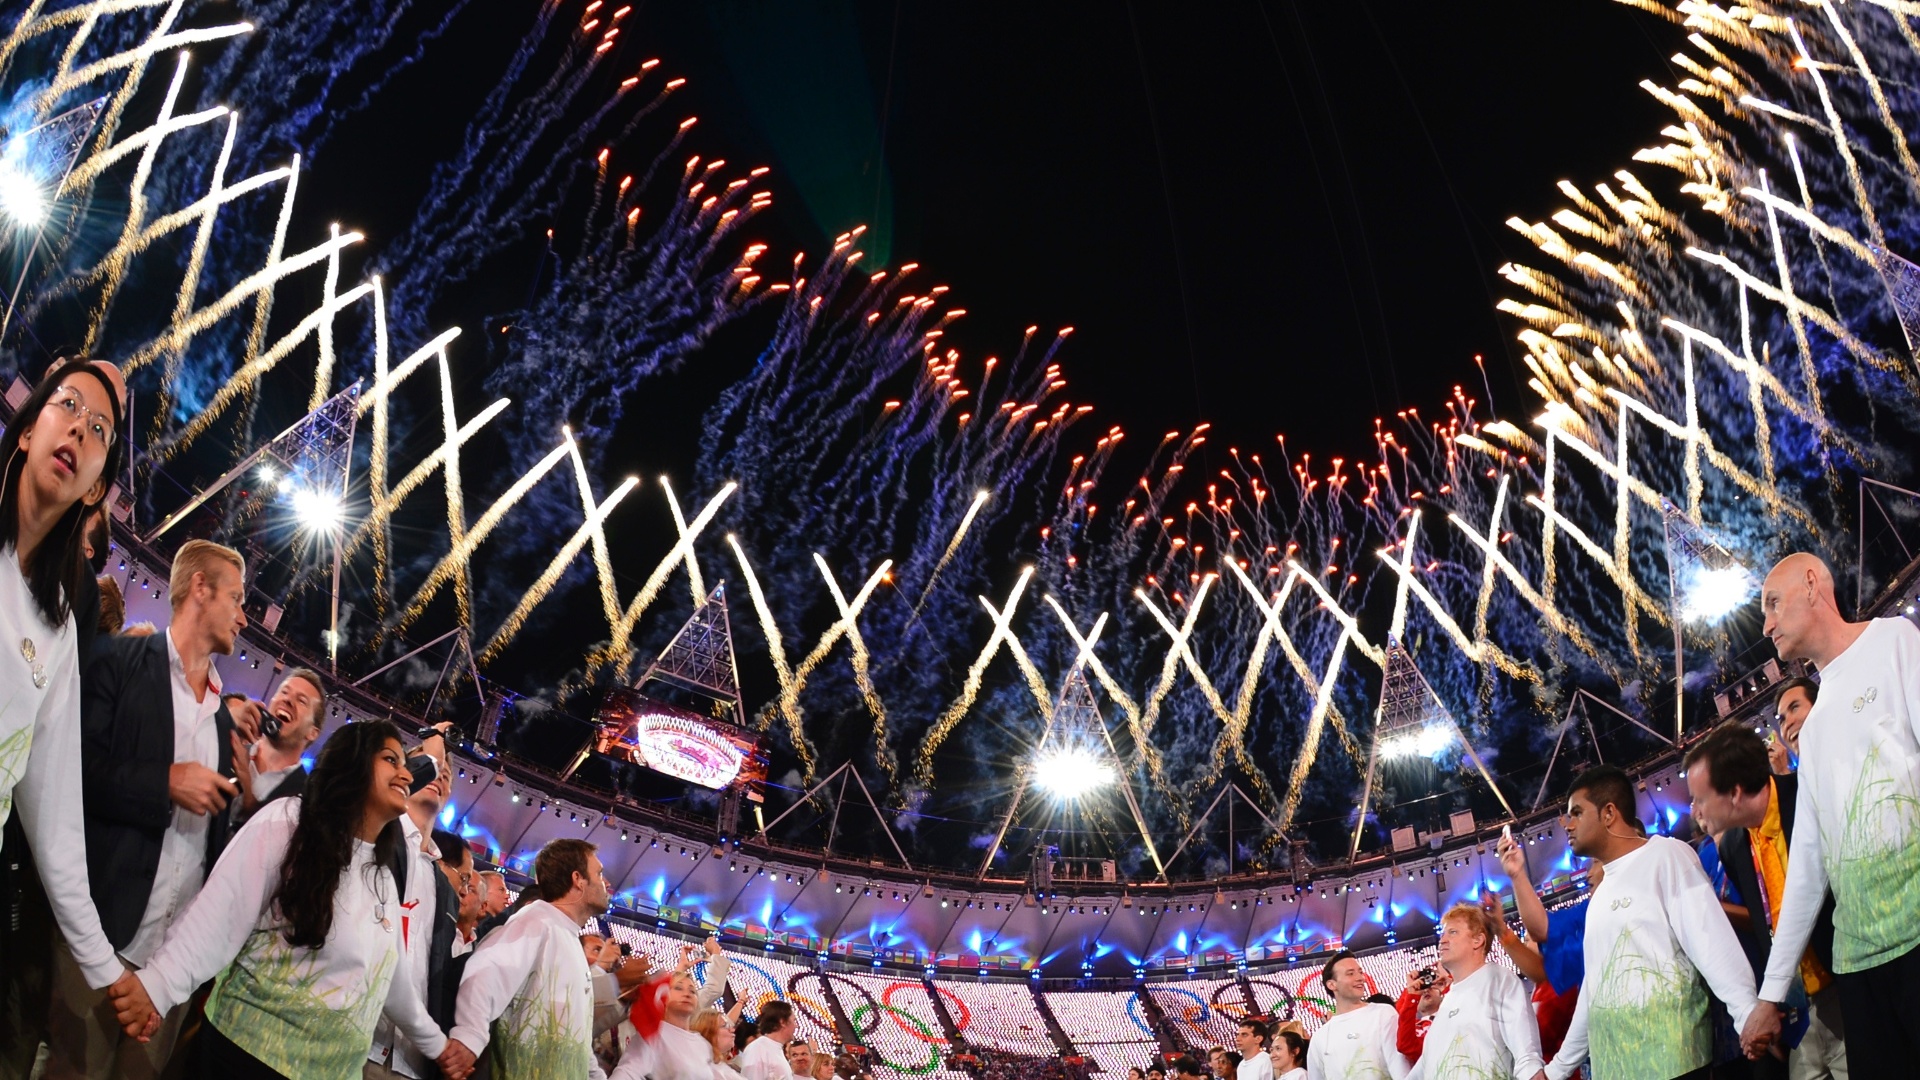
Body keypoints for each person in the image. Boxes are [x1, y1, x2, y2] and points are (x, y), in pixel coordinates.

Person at [106, 720, 460, 1079]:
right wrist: (159, 986)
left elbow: (391, 984)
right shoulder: (291, 822)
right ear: (353, 762)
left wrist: (440, 1047)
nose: (406, 775)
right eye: (391, 760)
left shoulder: (381, 876)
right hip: (245, 1057)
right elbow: (219, 917)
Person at [0, 359, 136, 1077]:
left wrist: (105, 967)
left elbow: (54, 823)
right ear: (27, 431)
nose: (80, 431)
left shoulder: (55, 633)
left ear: (96, 486)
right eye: (68, 407)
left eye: (100, 432)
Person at [1740, 552, 1920, 1073]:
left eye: (1773, 604)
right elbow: (1809, 866)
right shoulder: (1814, 732)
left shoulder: (1893, 642)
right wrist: (1772, 992)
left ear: (1812, 584)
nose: (1767, 624)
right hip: (1859, 966)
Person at [1542, 765, 1756, 1080]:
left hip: (1675, 1063)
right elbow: (1595, 990)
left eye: (1576, 813)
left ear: (1609, 813)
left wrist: (1748, 1015)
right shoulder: (1600, 896)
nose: (1568, 825)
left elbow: (1711, 943)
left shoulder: (1667, 855)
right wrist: (1557, 1069)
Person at [1685, 721, 1841, 1080]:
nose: (1695, 810)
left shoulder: (1807, 797)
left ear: (1735, 793)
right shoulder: (1735, 847)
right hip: (1796, 1014)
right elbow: (1762, 930)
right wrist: (1769, 1007)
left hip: (1848, 988)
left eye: (1700, 798)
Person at [448, 837, 612, 1077]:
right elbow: (486, 971)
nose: (605, 882)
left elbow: (574, 1030)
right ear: (577, 879)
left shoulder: (567, 936)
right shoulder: (537, 922)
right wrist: (469, 1036)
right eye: (598, 874)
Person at [366, 724, 466, 1079]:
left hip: (410, 1062)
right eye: (431, 766)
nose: (439, 774)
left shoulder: (445, 888)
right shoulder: (377, 837)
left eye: (447, 774)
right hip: (357, 1041)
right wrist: (432, 747)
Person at [1408, 903, 1544, 1080]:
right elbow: (1426, 1065)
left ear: (1478, 940)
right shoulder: (1447, 1001)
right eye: (1443, 934)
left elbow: (1527, 1054)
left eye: (1453, 932)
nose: (1442, 940)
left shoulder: (1499, 979)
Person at [227, 668, 326, 840]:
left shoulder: (308, 805)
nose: (287, 700)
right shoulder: (229, 749)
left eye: (301, 701)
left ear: (312, 732)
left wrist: (249, 804)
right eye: (284, 692)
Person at [1306, 952, 1410, 1080]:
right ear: (1332, 985)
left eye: (1360, 972)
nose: (1360, 978)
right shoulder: (1320, 1037)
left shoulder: (1383, 1013)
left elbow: (1400, 1067)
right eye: (1350, 973)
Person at [1395, 965, 1451, 1062]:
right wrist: (1411, 993)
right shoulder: (1413, 1028)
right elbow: (1405, 1045)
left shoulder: (1453, 1014)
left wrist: (1449, 979)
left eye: (1432, 986)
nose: (1426, 990)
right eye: (1422, 987)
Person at [1767, 677, 1818, 776]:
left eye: (1794, 708)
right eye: (1782, 720)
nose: (1787, 724)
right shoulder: (1804, 782)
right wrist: (1782, 772)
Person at [737, 1000, 797, 1080]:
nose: (796, 1026)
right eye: (794, 1020)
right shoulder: (757, 1049)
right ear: (782, 1022)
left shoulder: (775, 1048)